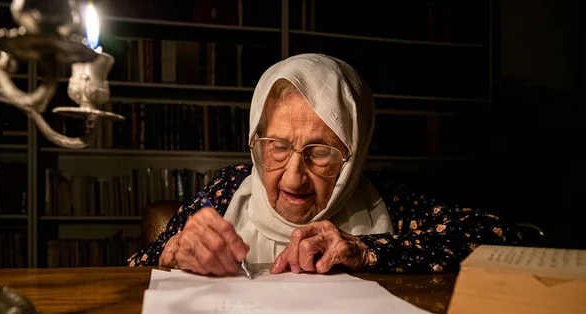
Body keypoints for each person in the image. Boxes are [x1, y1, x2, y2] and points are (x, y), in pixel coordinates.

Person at [127, 53, 521, 275]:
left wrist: (366, 251)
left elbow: (508, 240)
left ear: (355, 152)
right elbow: (133, 266)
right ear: (255, 142)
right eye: (278, 146)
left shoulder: (387, 199)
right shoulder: (228, 189)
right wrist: (173, 250)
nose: (294, 178)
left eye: (320, 152)